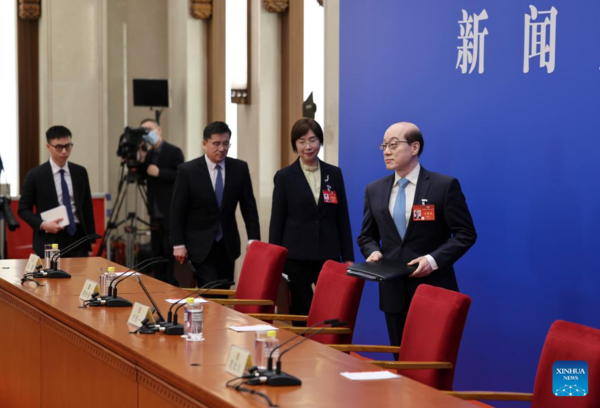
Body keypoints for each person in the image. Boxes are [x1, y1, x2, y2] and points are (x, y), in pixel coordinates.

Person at [357, 122, 476, 348]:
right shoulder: (374, 190)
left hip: (434, 289)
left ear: (414, 147)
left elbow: (466, 233)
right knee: (401, 362)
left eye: (393, 144)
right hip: (393, 293)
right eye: (383, 145)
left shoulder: (443, 186)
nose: (386, 151)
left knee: (432, 362)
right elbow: (366, 236)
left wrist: (433, 260)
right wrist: (373, 252)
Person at [269, 118, 354, 322]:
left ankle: (328, 353)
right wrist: (275, 258)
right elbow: (277, 220)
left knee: (331, 311)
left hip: (328, 254)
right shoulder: (284, 176)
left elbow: (342, 217)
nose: (308, 146)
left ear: (320, 142)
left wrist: (348, 256)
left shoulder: (334, 174)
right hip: (296, 257)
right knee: (301, 311)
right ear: (294, 144)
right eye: (301, 141)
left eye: (313, 140)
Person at [170, 121, 260, 288]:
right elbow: (177, 211)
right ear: (205, 144)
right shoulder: (188, 171)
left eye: (226, 143)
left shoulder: (239, 168)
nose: (221, 148)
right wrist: (178, 244)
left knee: (224, 290)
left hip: (227, 244)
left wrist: (253, 238)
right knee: (211, 290)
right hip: (199, 244)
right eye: (216, 144)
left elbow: (249, 207)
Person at [18, 125, 96, 258]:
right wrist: (43, 225)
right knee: (52, 277)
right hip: (49, 238)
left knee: (80, 276)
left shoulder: (80, 172)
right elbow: (23, 209)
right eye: (59, 147)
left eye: (68, 146)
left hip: (77, 236)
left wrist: (91, 240)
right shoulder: (35, 175)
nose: (64, 151)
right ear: (48, 146)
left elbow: (87, 207)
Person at [138, 119, 184, 284]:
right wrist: (142, 159)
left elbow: (180, 176)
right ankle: (158, 282)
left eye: (149, 129)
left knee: (169, 248)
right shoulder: (149, 154)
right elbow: (142, 177)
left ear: (158, 129)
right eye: (143, 131)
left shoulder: (173, 151)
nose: (147, 134)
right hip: (154, 209)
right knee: (156, 249)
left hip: (170, 209)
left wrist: (160, 173)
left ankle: (171, 284)